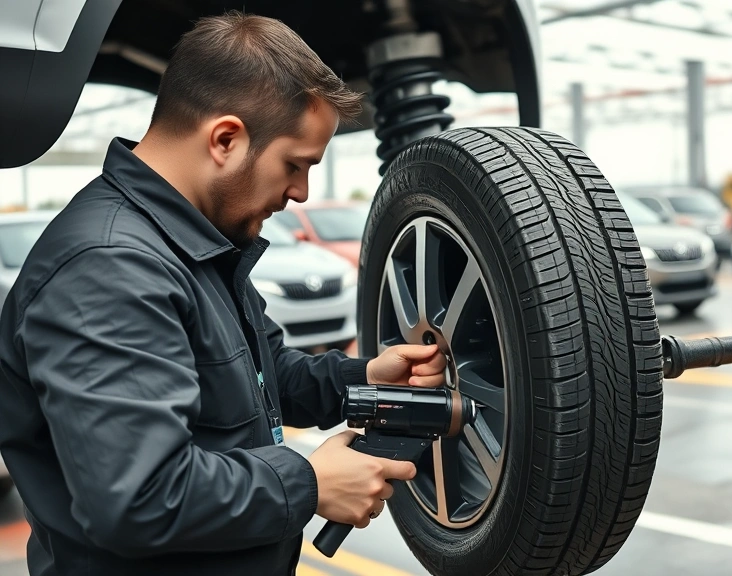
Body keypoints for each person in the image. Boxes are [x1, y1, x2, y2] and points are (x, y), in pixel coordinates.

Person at [0, 11, 447, 576]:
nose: (302, 192)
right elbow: (139, 498)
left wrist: (365, 378)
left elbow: (262, 378)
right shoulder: (110, 269)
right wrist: (308, 481)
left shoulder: (191, 246)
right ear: (226, 139)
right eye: (295, 164)